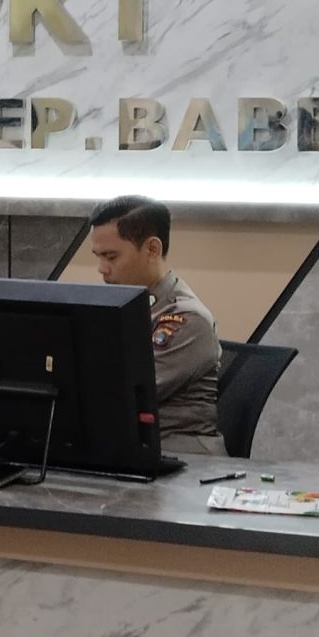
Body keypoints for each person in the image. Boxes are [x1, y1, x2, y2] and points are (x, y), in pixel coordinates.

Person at [85, 194, 222, 455]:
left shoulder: (186, 319)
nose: (102, 268)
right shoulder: (120, 307)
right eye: (98, 256)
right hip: (128, 447)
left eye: (111, 257)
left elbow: (124, 393)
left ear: (152, 249)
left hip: (182, 454)